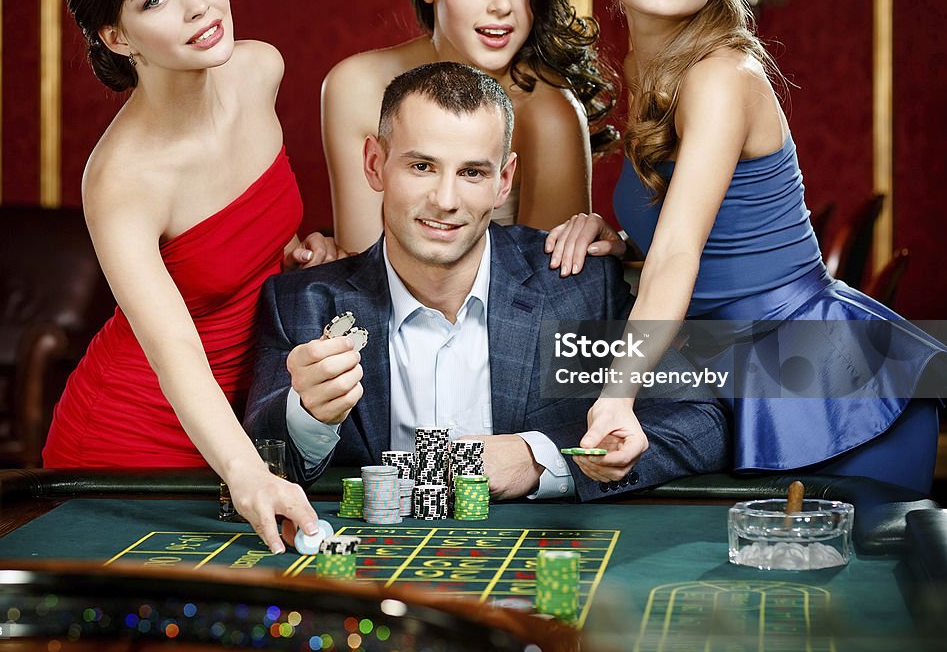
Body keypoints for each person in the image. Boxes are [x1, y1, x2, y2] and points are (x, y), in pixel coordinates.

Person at [545, 0, 947, 494]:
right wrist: (622, 239)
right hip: (723, 367)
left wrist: (618, 395)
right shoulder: (646, 70)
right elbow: (690, 232)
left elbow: (682, 252)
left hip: (822, 383)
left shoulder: (721, 76)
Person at [245, 63, 728, 500]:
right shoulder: (302, 303)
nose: (446, 199)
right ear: (375, 164)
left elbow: (701, 422)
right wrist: (308, 415)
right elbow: (258, 455)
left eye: (472, 172)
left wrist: (536, 458)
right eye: (421, 166)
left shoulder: (574, 289)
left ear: (503, 181)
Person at [42, 0, 332, 551]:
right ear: (117, 37)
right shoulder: (121, 177)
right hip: (127, 443)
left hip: (242, 425)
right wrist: (246, 472)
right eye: (156, 0)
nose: (200, 5)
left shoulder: (261, 70)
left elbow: (236, 251)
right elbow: (172, 349)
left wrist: (296, 255)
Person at [323, 0, 615, 252]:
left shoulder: (549, 112)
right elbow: (360, 262)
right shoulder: (357, 86)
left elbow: (548, 292)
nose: (502, 5)